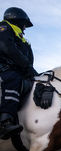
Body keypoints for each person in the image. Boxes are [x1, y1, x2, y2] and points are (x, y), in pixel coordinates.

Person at [0, 7, 37, 139]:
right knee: (12, 79)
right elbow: (6, 47)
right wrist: (26, 65)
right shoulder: (4, 28)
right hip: (5, 69)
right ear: (17, 20)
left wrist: (30, 71)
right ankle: (5, 121)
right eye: (24, 24)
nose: (25, 28)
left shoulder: (20, 37)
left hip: (20, 70)